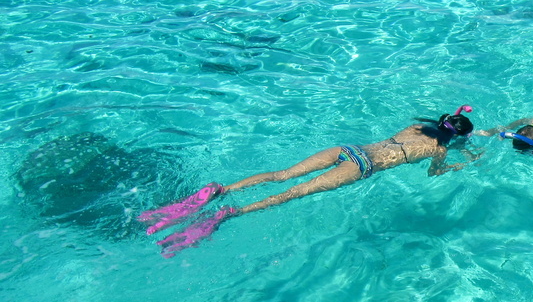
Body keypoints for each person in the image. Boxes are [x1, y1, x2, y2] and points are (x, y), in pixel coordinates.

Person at [140, 106, 476, 257]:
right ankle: (231, 212)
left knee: (282, 175)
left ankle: (223, 189)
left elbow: (442, 122)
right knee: (293, 193)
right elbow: (435, 172)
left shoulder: (417, 128)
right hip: (360, 167)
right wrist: (458, 166)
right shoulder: (438, 149)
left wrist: (452, 117)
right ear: (455, 138)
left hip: (349, 148)